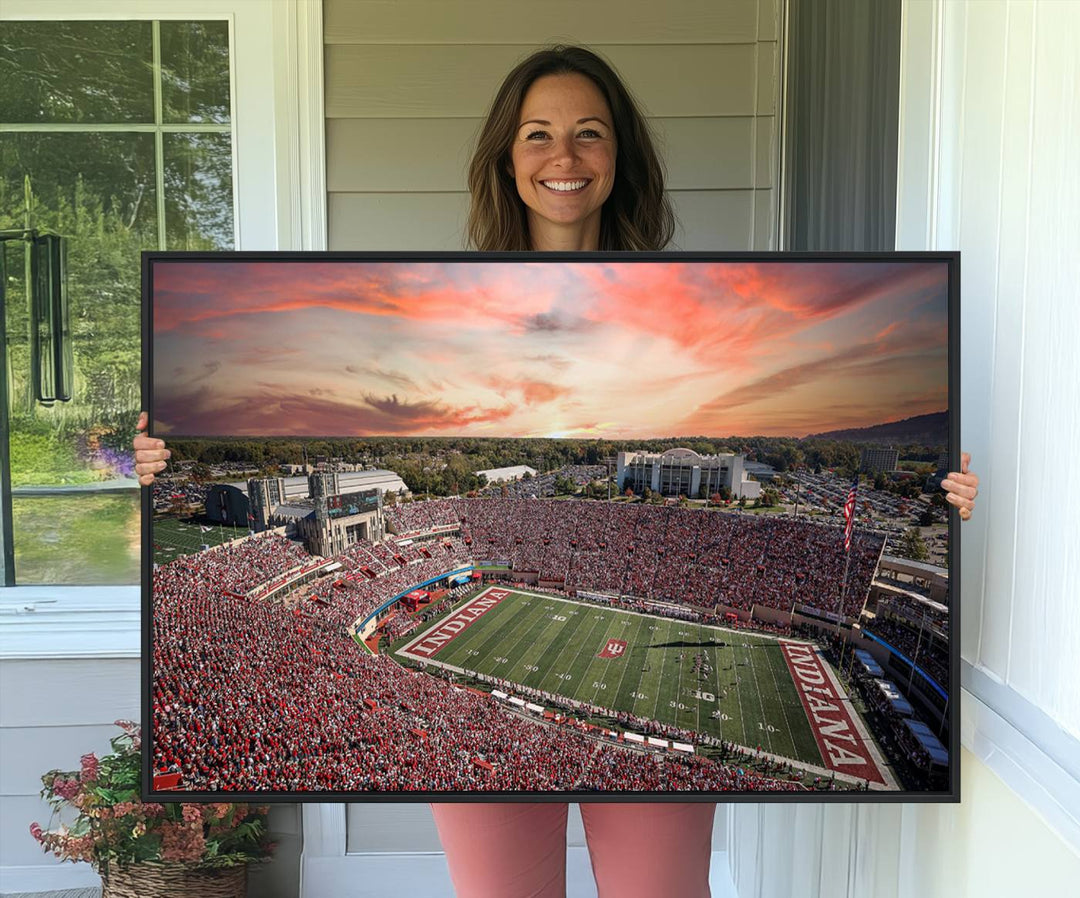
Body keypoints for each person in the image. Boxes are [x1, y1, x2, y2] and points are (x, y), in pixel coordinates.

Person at [134, 45, 979, 898]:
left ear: (621, 156)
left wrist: (946, 500)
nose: (564, 157)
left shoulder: (686, 294)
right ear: (507, 155)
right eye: (538, 134)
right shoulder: (443, 298)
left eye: (589, 134)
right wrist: (156, 457)